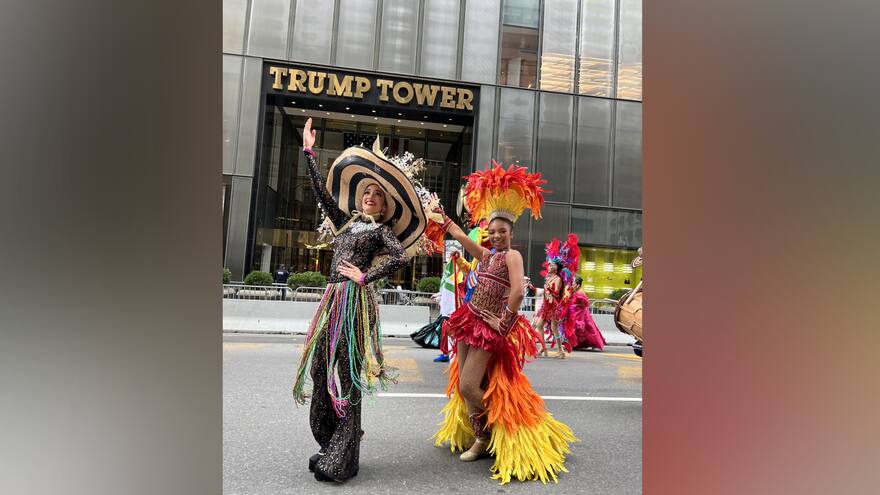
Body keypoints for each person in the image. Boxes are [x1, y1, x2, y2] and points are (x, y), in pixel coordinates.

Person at [291, 118, 430, 482]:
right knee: (321, 370)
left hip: (354, 304)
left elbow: (399, 257)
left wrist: (365, 276)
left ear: (384, 206)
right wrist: (308, 152)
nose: (370, 195)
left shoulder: (382, 231)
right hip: (331, 302)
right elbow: (322, 194)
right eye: (367, 191)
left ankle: (344, 458)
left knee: (347, 375)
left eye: (377, 194)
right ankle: (332, 440)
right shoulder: (346, 223)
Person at [431, 162, 577, 484]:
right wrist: (441, 216)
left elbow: (516, 291)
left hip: (489, 327)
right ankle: (482, 430)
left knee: (470, 385)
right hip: (469, 319)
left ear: (511, 233)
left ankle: (488, 432)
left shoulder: (512, 256)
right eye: (493, 231)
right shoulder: (487, 255)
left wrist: (503, 322)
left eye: (502, 232)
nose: (496, 236)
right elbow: (458, 236)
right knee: (461, 383)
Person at [566, 276, 606, 351]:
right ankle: (574, 343)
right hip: (577, 313)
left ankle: (593, 343)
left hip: (581, 314)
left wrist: (574, 305)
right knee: (579, 329)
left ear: (578, 285)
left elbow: (585, 304)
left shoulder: (579, 293)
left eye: (573, 284)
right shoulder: (575, 291)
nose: (572, 285)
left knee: (586, 329)